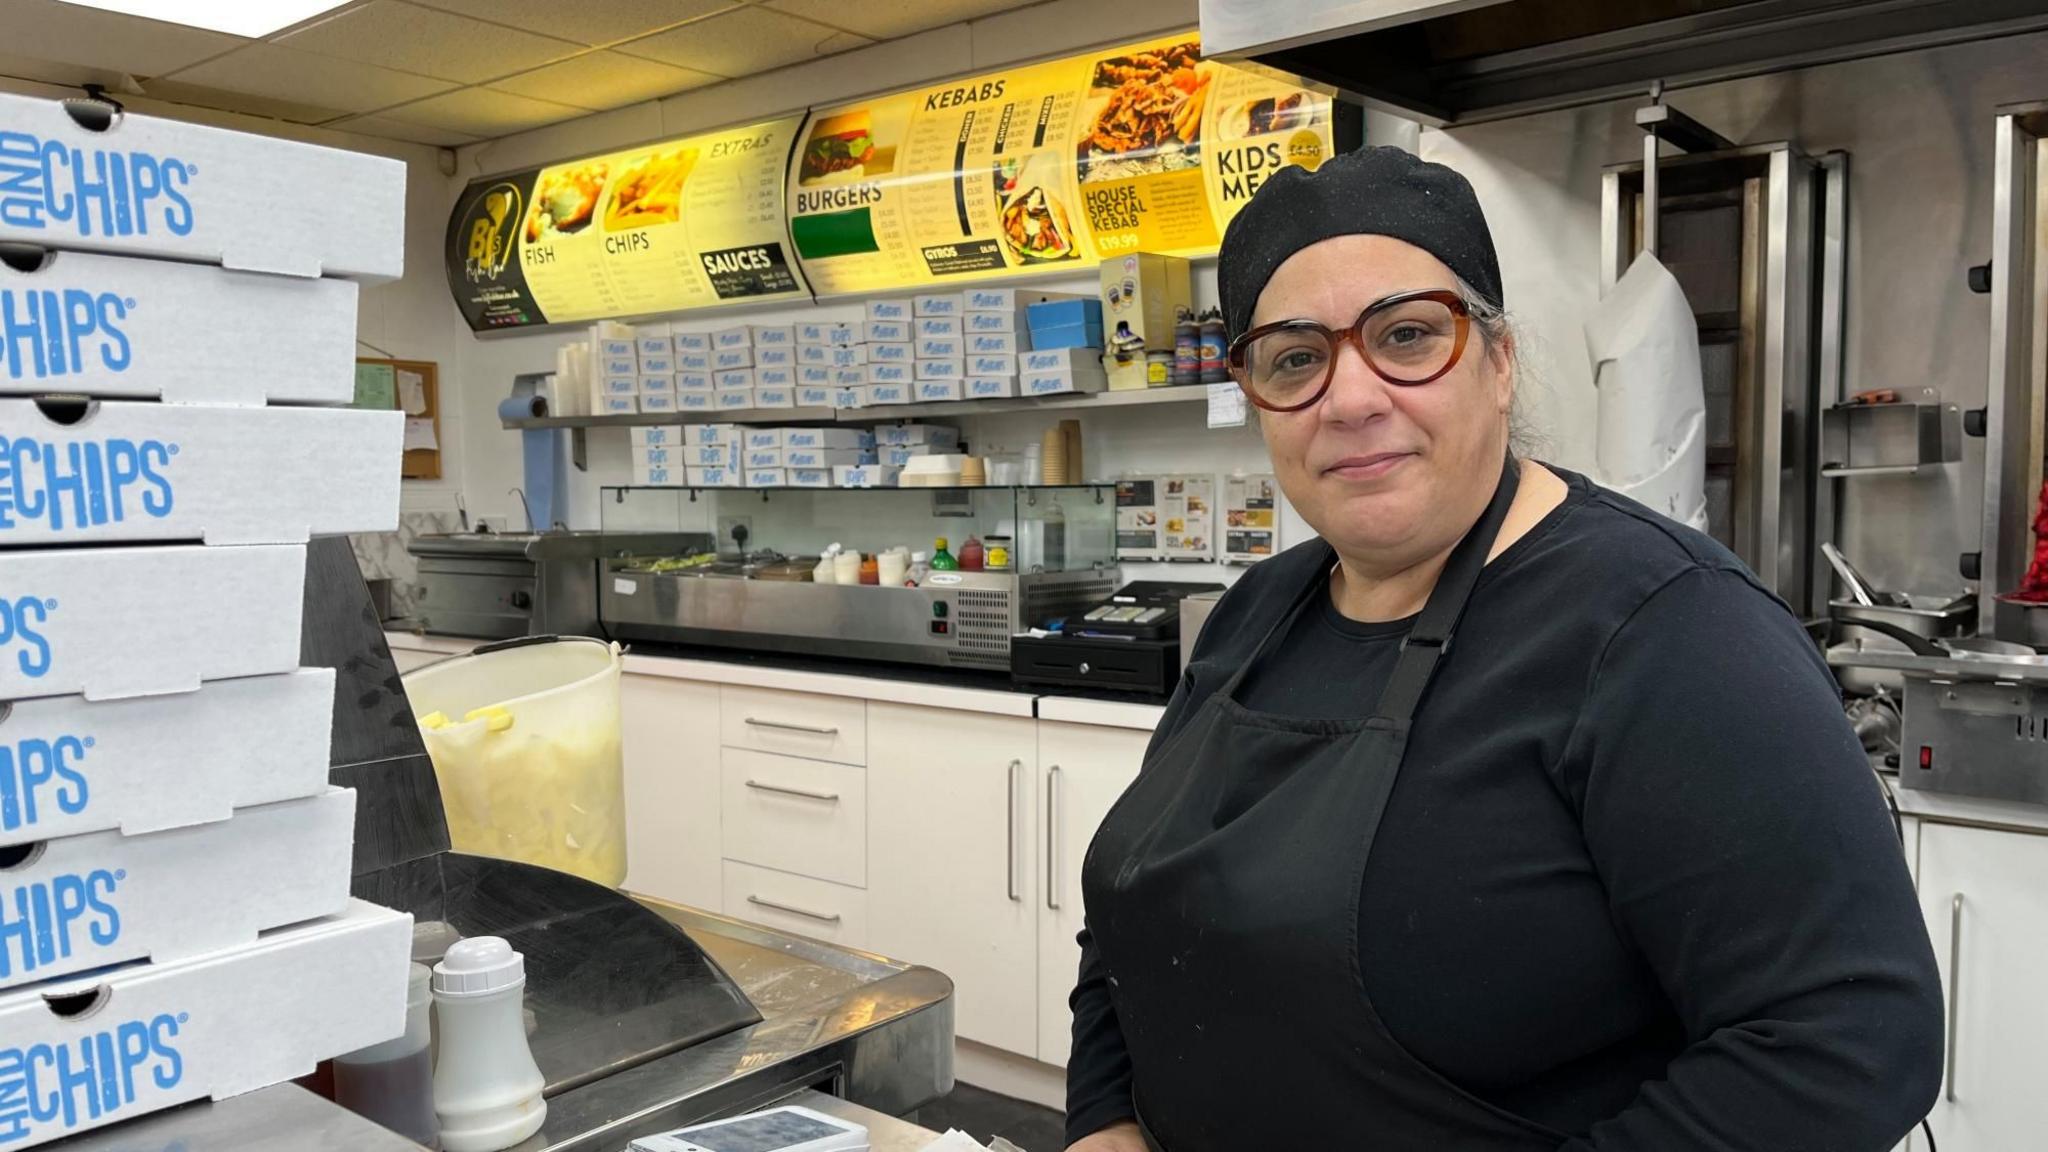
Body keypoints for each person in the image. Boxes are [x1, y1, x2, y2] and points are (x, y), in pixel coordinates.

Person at [1064, 147, 1943, 1151]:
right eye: (1294, 357)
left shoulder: (1663, 628)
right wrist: (1103, 1121)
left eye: (1404, 336)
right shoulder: (1256, 612)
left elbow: (1845, 1041)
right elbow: (1132, 920)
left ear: (1496, 359)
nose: (1348, 398)